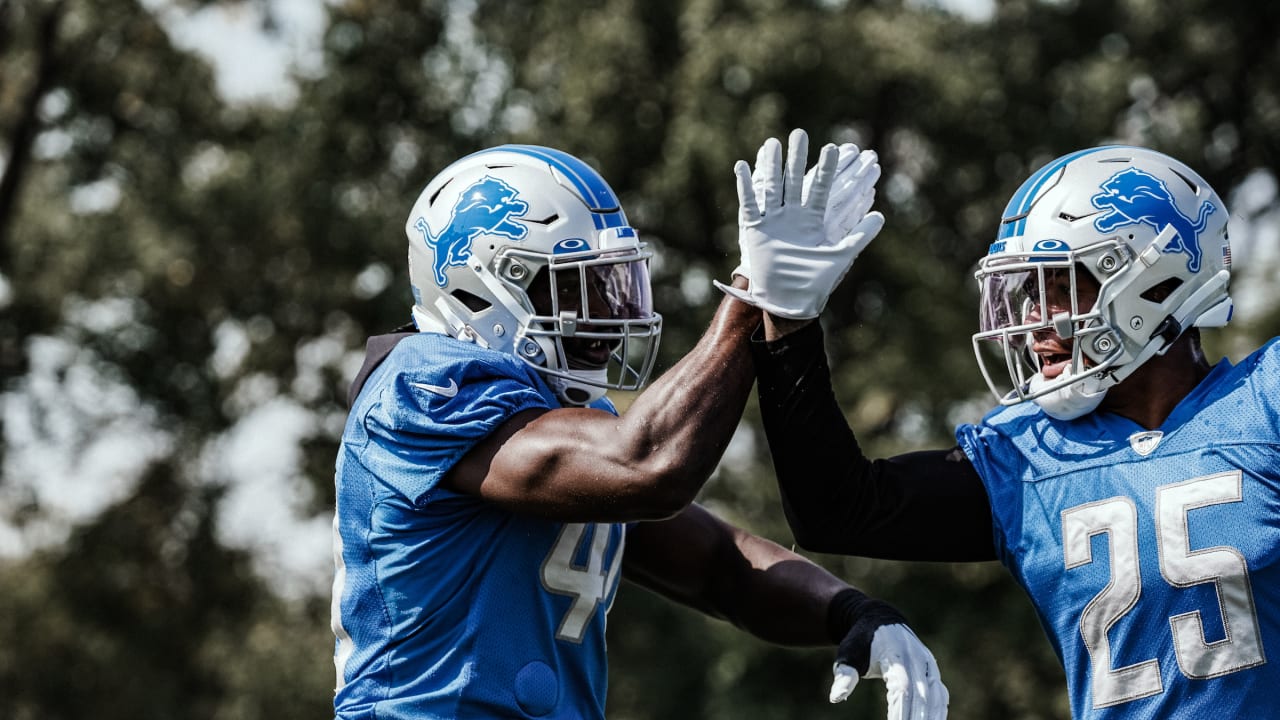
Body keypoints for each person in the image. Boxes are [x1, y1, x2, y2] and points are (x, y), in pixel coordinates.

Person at [329, 134, 949, 719]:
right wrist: (757, 294)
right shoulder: (422, 390)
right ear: (483, 287)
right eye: (578, 289)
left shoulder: (556, 426)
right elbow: (648, 466)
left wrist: (851, 611)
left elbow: (718, 566)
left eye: (611, 284)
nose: (607, 315)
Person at [744, 143, 1278, 719]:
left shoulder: (1264, 404)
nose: (1031, 320)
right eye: (1029, 292)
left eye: (1061, 286)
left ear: (1156, 280)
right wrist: (790, 321)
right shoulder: (1027, 457)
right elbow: (837, 509)